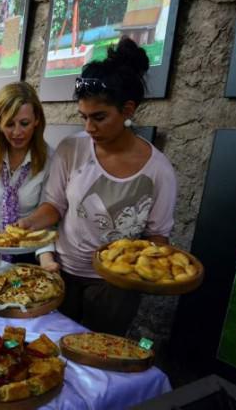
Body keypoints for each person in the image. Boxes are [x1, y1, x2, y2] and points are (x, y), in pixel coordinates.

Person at [18, 37, 177, 336]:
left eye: (99, 117)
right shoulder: (72, 148)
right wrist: (27, 223)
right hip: (61, 274)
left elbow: (158, 237)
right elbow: (55, 206)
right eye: (84, 117)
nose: (89, 127)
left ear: (128, 110)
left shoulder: (158, 171)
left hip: (115, 289)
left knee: (98, 356)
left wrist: (155, 266)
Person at [0, 82, 55, 270]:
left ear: (37, 120)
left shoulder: (49, 158)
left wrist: (46, 259)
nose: (17, 132)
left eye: (24, 123)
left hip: (31, 251)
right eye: (9, 124)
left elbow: (46, 215)